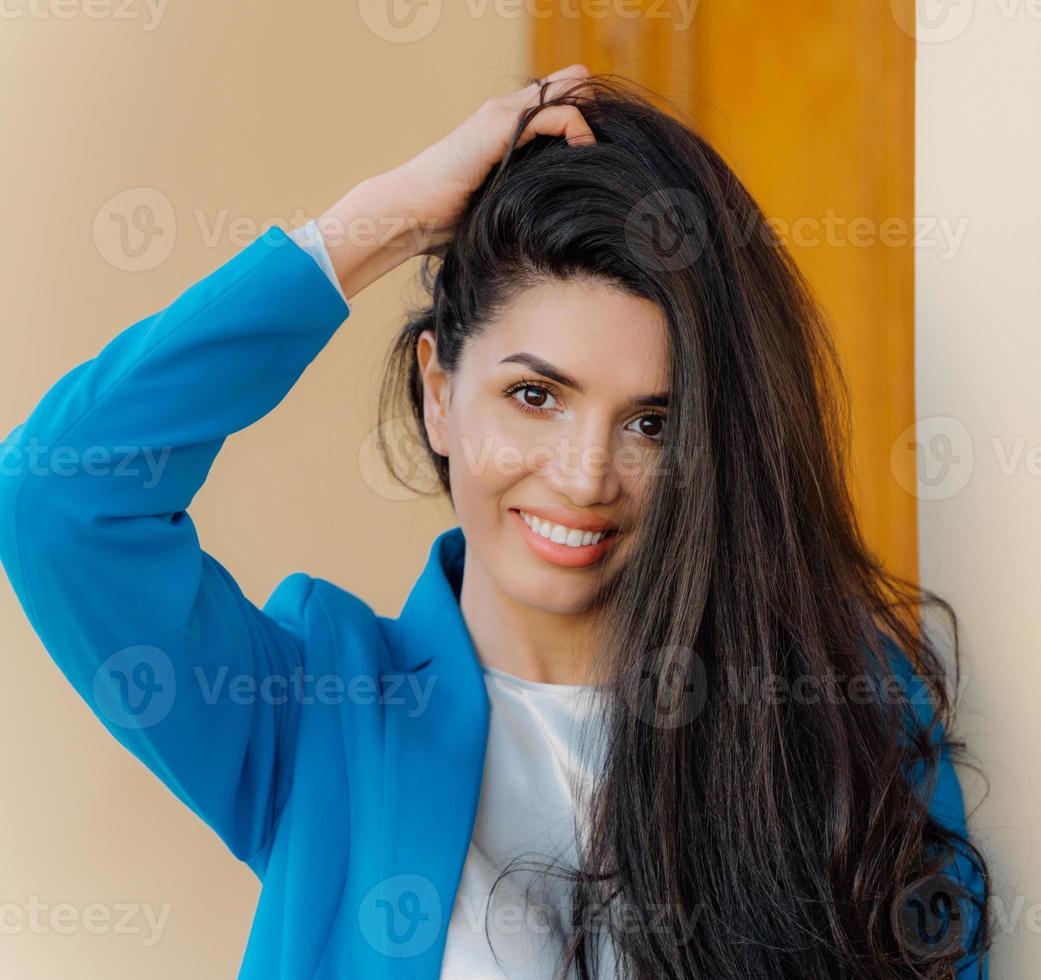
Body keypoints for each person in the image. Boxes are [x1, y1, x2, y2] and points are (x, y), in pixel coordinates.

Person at [0, 65, 989, 979]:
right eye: (534, 396)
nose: (584, 472)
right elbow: (58, 492)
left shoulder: (842, 710)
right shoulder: (321, 713)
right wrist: (385, 221)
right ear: (438, 389)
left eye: (653, 420)